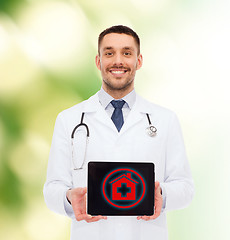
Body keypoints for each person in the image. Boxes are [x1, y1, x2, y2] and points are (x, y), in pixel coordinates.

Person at [43, 25, 194, 240]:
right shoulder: (69, 119)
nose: (118, 61)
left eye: (127, 53)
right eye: (109, 53)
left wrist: (162, 195)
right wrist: (68, 198)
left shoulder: (165, 120)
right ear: (98, 61)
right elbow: (52, 188)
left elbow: (185, 187)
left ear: (138, 61)